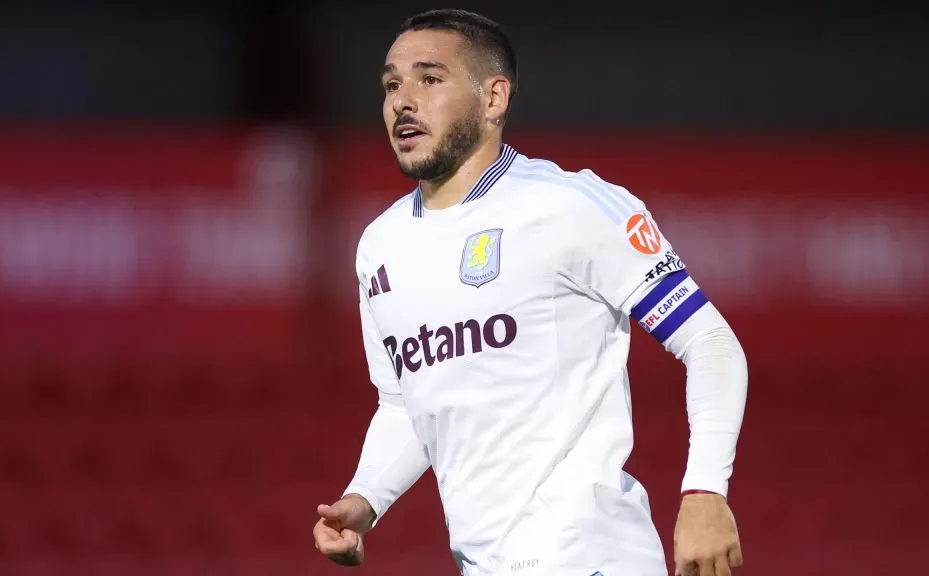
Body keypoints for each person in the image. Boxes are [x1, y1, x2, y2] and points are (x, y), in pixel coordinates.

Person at [313, 8, 747, 576]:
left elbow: (711, 341)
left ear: (494, 99)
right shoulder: (380, 246)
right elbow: (405, 406)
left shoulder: (571, 205)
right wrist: (366, 497)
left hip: (592, 558)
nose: (402, 100)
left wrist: (705, 493)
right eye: (391, 84)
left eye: (430, 79)